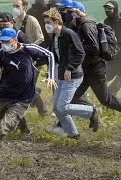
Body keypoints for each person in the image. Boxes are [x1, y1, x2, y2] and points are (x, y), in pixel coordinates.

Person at [0, 28, 57, 173]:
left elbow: (50, 54)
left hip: (21, 100)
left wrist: (51, 76)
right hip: (2, 96)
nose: (4, 45)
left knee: (1, 129)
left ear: (15, 40)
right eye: (2, 42)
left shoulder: (28, 50)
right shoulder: (1, 54)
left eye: (7, 42)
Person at [42, 10, 100, 138]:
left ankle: (92, 111)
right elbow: (53, 57)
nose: (46, 25)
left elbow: (80, 53)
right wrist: (48, 73)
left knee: (62, 107)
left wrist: (69, 68)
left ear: (56, 22)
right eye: (45, 22)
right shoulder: (54, 36)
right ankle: (73, 134)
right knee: (57, 109)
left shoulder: (69, 34)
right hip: (61, 76)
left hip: (73, 76)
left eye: (48, 22)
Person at [0, 12, 31, 136]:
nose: (3, 27)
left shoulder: (21, 36)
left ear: (12, 24)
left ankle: (21, 129)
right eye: (1, 25)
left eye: (6, 25)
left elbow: (32, 53)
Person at [70, 3, 121, 115]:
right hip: (88, 68)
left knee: (106, 99)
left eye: (70, 13)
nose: (67, 15)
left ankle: (92, 112)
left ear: (76, 14)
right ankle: (92, 112)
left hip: (95, 69)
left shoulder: (86, 25)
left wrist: (76, 47)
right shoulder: (77, 25)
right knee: (72, 96)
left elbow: (94, 47)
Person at [13, 0, 47, 116]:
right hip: (21, 59)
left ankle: (42, 109)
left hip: (34, 60)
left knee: (27, 85)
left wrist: (30, 48)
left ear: (24, 7)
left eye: (17, 6)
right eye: (14, 6)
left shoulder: (32, 21)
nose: (15, 8)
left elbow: (41, 38)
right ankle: (36, 94)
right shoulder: (14, 21)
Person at [103, 1, 121, 96]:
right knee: (102, 78)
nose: (107, 10)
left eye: (110, 8)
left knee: (114, 88)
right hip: (112, 59)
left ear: (115, 9)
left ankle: (111, 105)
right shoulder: (106, 22)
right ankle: (107, 103)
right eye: (106, 8)